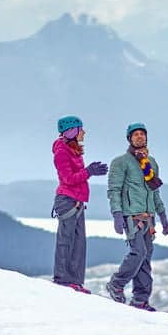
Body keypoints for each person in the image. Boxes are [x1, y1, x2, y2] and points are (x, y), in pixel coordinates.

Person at [105, 121, 168, 309]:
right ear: (129, 139)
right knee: (138, 252)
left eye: (142, 134)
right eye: (135, 134)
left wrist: (163, 216)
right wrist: (117, 214)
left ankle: (140, 299)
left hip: (149, 217)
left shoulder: (151, 163)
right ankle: (116, 283)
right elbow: (114, 190)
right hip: (131, 216)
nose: (140, 136)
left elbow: (154, 192)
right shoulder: (121, 162)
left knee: (146, 257)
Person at [50, 116, 108, 290]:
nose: (84, 132)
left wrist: (88, 171)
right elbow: (68, 179)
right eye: (81, 129)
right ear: (72, 131)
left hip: (76, 201)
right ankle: (62, 279)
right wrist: (88, 171)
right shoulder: (62, 152)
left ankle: (74, 281)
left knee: (78, 243)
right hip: (67, 201)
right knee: (66, 240)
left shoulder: (72, 149)